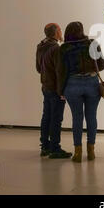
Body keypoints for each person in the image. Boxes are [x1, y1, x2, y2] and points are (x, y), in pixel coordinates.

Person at [56, 22, 104, 163]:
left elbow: (61, 72)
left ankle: (77, 153)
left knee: (76, 118)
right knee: (91, 117)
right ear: (82, 31)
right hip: (92, 83)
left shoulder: (64, 48)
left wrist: (61, 90)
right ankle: (91, 151)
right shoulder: (92, 43)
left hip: (72, 84)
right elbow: (102, 65)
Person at [36, 23, 72, 159]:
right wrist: (61, 90)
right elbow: (60, 71)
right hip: (55, 88)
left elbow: (38, 68)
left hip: (45, 86)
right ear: (56, 33)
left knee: (46, 116)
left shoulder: (40, 46)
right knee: (56, 119)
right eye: (60, 30)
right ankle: (55, 148)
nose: (61, 32)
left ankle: (45, 146)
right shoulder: (56, 48)